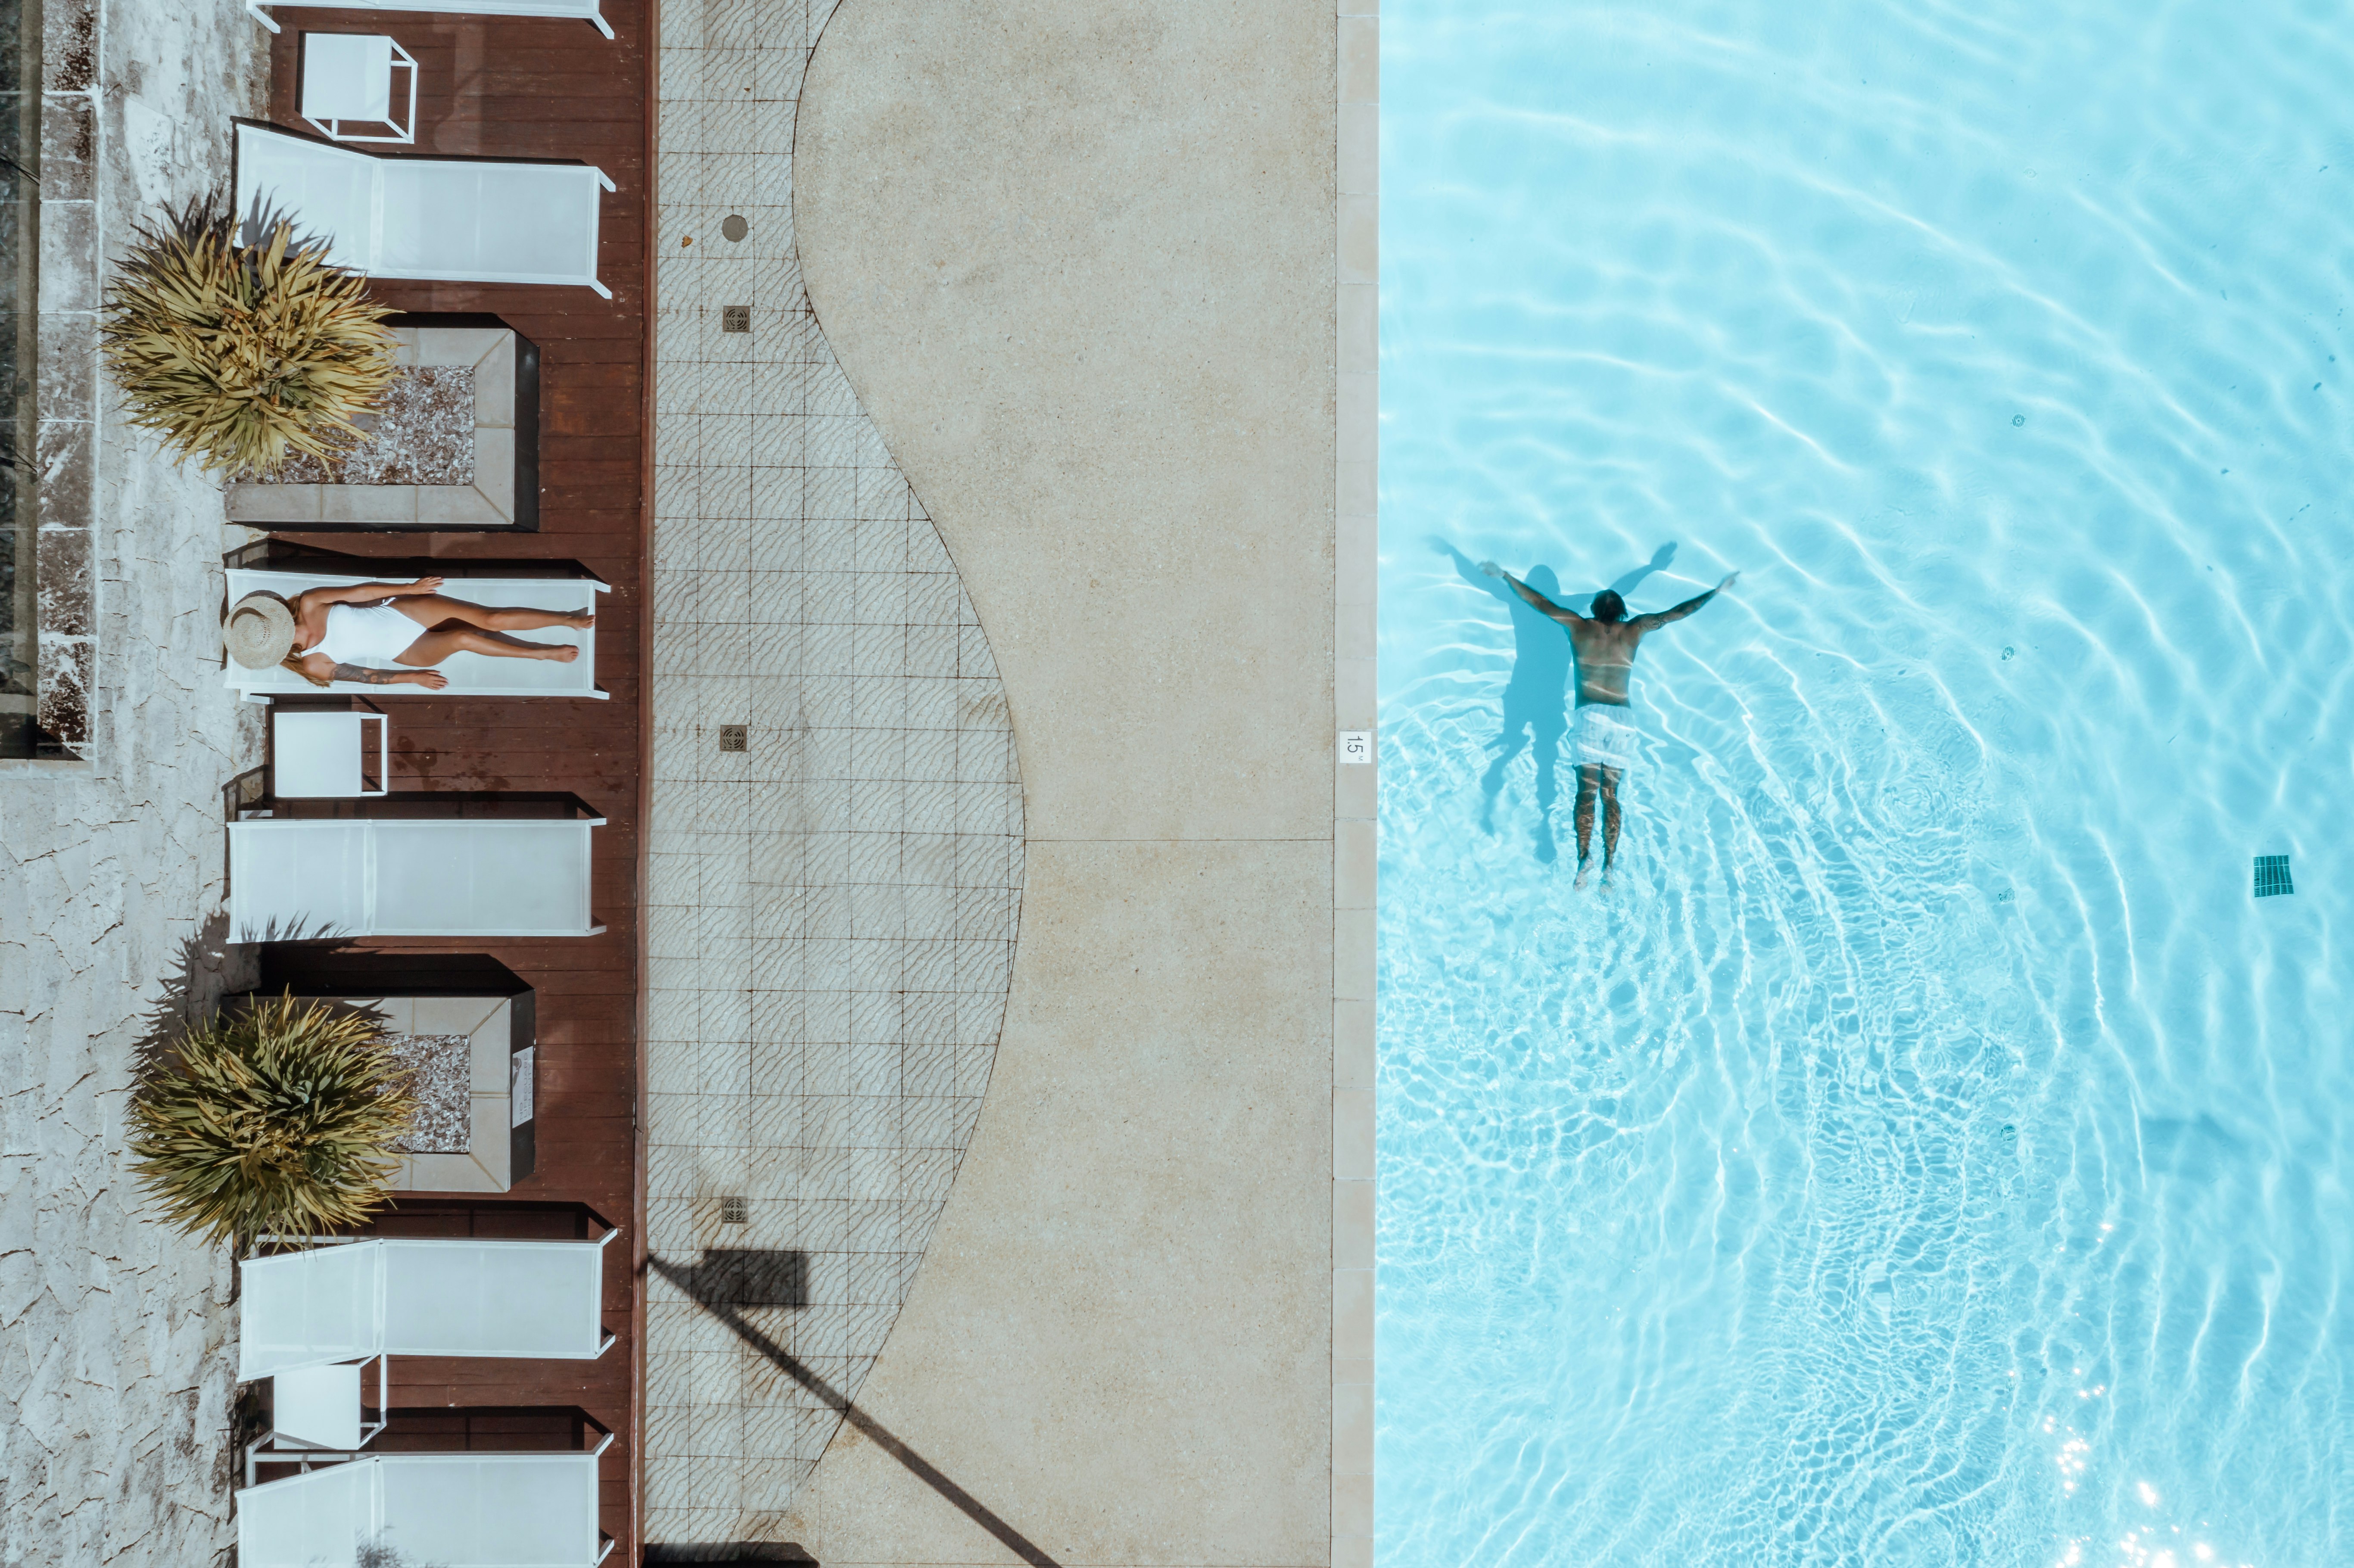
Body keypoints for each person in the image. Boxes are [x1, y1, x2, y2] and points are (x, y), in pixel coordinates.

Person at [1479, 561, 1737, 885]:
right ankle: (1610, 864)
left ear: (1594, 609)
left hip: (1589, 716)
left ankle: (1584, 856)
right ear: (1623, 612)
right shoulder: (1636, 629)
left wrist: (1505, 576)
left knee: (1585, 793)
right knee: (1611, 796)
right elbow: (1677, 613)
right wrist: (1716, 591)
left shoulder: (1578, 626)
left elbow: (1540, 603)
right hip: (1622, 719)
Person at [224, 577, 593, 689]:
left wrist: (409, 589)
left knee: (490, 618)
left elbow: (361, 593)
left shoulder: (310, 603)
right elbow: (369, 676)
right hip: (409, 650)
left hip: (401, 611)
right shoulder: (313, 664)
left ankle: (567, 618)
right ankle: (541, 653)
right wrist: (412, 677)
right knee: (464, 639)